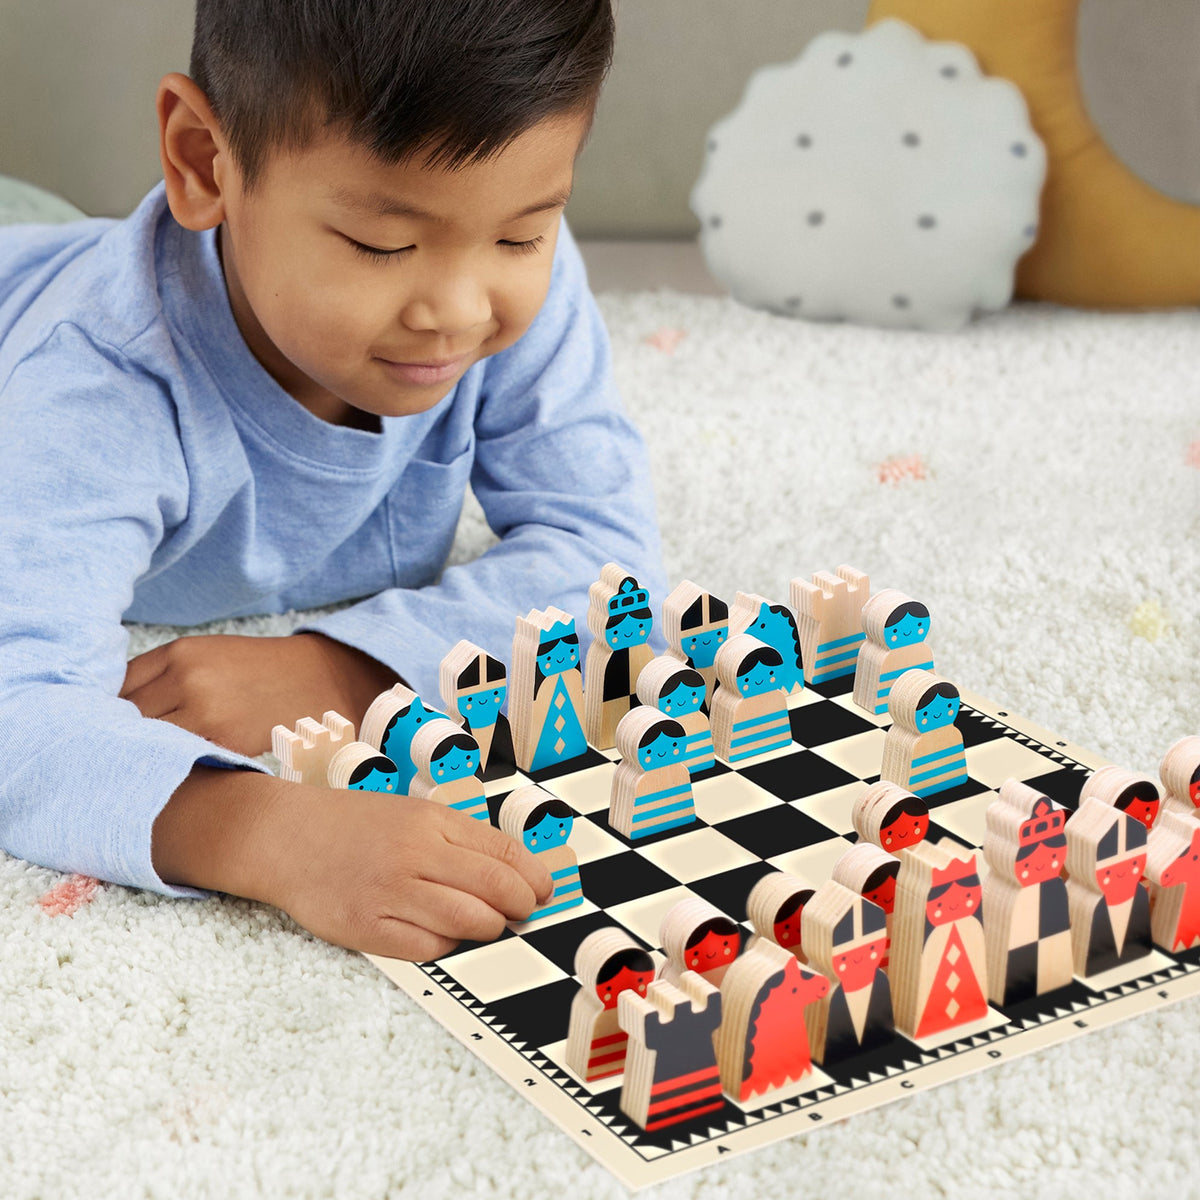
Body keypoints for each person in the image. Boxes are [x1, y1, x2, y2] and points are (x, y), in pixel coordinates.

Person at [0, 0, 666, 963]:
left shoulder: (502, 275)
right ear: (204, 162)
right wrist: (269, 832)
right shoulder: (95, 385)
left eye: (522, 236)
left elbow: (607, 563)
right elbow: (17, 708)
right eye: (383, 246)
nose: (457, 311)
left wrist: (342, 669)